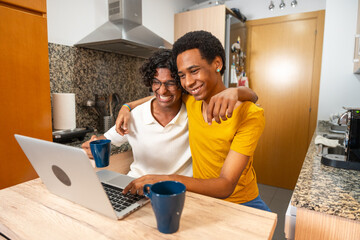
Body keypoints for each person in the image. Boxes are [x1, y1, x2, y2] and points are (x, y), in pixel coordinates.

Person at [118, 31, 270, 212]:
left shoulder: (249, 114)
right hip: (201, 199)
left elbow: (226, 185)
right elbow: (162, 95)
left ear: (217, 64)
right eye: (182, 75)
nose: (188, 83)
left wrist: (165, 178)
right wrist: (127, 106)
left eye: (194, 71)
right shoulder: (192, 101)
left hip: (241, 203)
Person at [82, 49, 257, 178]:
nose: (162, 90)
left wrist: (236, 91)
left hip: (180, 191)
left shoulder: (194, 111)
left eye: (170, 83)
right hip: (135, 185)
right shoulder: (135, 116)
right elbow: (105, 141)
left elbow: (253, 97)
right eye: (156, 82)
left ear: (182, 85)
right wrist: (92, 146)